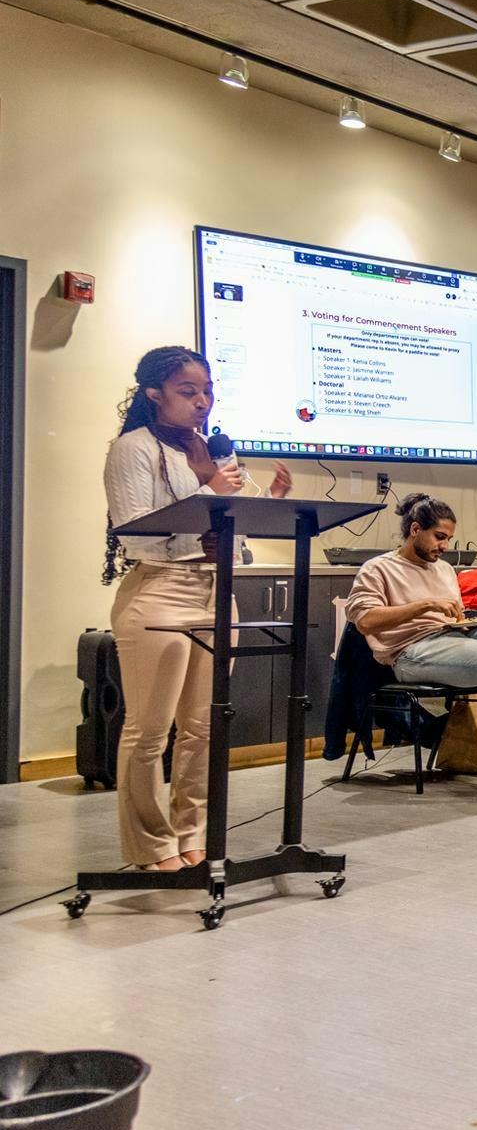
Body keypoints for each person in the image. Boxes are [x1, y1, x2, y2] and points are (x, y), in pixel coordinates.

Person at [101, 346, 292, 869]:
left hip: (215, 590)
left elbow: (225, 526)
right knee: (149, 730)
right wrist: (208, 486)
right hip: (159, 589)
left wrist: (268, 504)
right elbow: (135, 528)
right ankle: (151, 845)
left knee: (205, 726)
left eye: (207, 391)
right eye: (188, 392)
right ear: (154, 394)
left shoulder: (213, 449)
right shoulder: (132, 449)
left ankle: (191, 836)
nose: (202, 402)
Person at [345, 494, 477, 801]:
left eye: (448, 538)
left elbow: (454, 615)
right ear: (415, 529)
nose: (445, 546)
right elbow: (365, 621)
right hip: (410, 652)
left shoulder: (444, 570)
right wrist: (424, 606)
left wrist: (463, 621)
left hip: (452, 638)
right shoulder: (378, 569)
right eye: (440, 537)